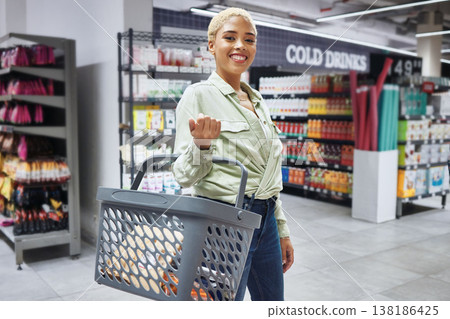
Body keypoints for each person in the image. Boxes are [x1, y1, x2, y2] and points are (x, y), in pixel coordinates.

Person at [172, 7, 294, 301]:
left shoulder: (258, 100)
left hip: (265, 221)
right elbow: (182, 175)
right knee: (224, 305)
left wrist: (282, 230)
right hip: (222, 225)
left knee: (272, 302)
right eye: (230, 37)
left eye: (249, 40)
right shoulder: (198, 95)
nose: (241, 46)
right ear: (212, 45)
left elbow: (267, 175)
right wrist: (201, 145)